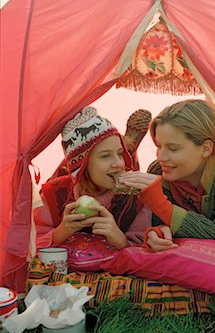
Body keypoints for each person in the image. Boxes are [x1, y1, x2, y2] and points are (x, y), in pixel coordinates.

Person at [118, 99, 215, 252]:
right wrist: (158, 233)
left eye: (173, 148)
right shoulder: (159, 171)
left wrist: (162, 205)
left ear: (206, 149)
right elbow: (160, 223)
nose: (161, 157)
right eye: (159, 146)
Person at [34, 106, 151, 251]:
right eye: (105, 156)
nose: (118, 164)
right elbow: (29, 244)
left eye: (120, 154)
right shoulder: (53, 196)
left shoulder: (136, 199)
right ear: (82, 165)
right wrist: (61, 232)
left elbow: (146, 254)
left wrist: (120, 240)